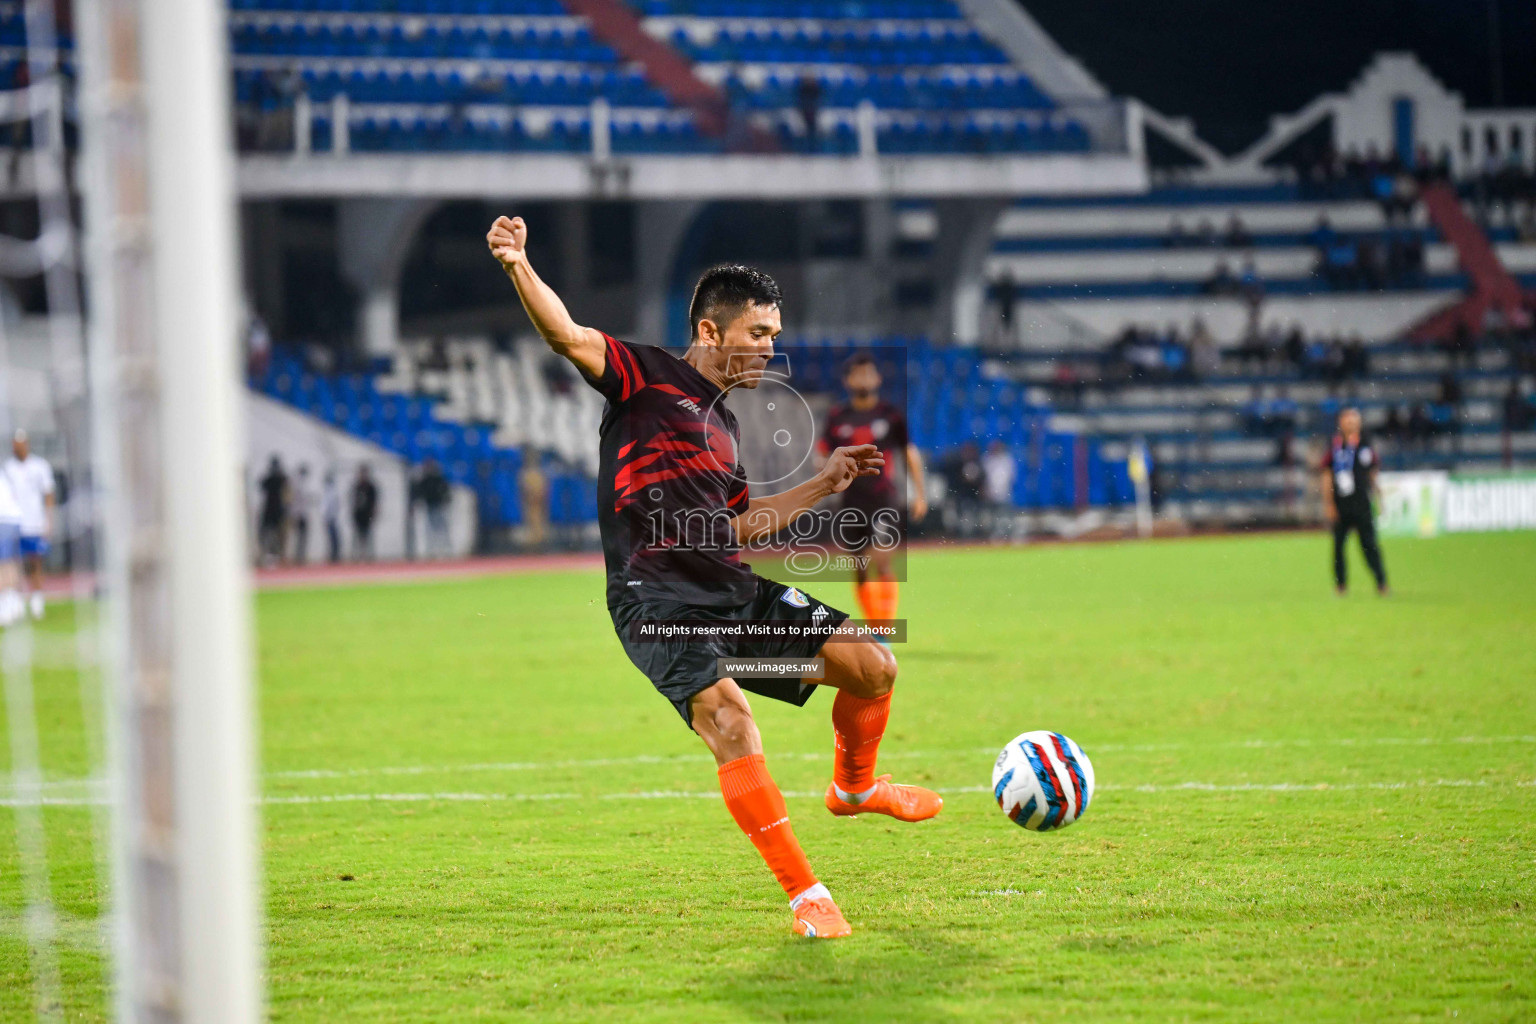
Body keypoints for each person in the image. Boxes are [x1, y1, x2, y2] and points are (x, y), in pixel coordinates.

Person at [487, 214, 941, 940]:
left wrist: (823, 483)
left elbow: (740, 528)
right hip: (656, 601)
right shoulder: (643, 376)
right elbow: (566, 335)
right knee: (732, 720)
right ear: (709, 329)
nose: (772, 346)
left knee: (873, 667)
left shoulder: (723, 429)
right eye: (759, 333)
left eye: (774, 333)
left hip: (731, 591)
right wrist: (516, 263)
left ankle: (854, 788)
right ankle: (806, 896)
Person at [819, 352, 927, 628]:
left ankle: (884, 628)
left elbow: (909, 453)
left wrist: (920, 494)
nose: (864, 378)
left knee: (882, 558)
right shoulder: (837, 416)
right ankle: (874, 624)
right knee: (859, 566)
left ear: (878, 378)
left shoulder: (890, 415)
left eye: (869, 373)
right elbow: (821, 456)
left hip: (883, 499)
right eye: (858, 373)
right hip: (851, 502)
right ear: (847, 381)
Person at [1320, 408, 1388, 596]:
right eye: (1347, 420)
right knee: (1338, 548)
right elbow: (1326, 475)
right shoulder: (1334, 446)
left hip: (1361, 504)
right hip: (1341, 505)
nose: (1351, 423)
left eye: (1354, 420)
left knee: (1370, 545)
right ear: (1340, 422)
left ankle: (1381, 582)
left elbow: (1372, 474)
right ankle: (1340, 585)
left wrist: (1379, 498)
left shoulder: (1365, 445)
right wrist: (1329, 504)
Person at [4, 430, 55, 619]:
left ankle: (37, 600)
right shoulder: (8, 468)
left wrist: (49, 519)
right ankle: (15, 601)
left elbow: (48, 494)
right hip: (15, 524)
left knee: (35, 563)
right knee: (14, 564)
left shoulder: (40, 466)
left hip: (35, 523)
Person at [256, 455, 288, 567]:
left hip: (275, 511)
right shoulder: (274, 478)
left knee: (278, 536)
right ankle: (267, 557)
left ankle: (279, 557)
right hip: (271, 510)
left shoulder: (280, 478)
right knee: (268, 535)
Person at [0, 462, 22, 625]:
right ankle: (15, 602)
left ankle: (6, 604)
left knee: (4, 563)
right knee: (12, 562)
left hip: (4, 519)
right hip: (14, 519)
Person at [419, 458, 451, 558]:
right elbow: (421, 492)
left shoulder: (439, 479)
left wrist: (445, 500)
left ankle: (446, 549)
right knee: (430, 529)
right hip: (430, 506)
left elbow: (446, 491)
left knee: (442, 528)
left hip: (439, 506)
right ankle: (432, 550)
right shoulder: (425, 480)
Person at [350, 464, 378, 561]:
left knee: (368, 535)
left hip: (367, 515)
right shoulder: (357, 486)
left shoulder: (370, 487)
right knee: (357, 536)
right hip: (358, 514)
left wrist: (373, 512)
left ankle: (368, 555)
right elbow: (353, 500)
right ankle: (357, 556)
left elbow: (374, 501)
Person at [290, 464, 315, 565]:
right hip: (300, 515)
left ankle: (300, 557)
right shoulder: (300, 485)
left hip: (300, 514)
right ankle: (299, 557)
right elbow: (299, 502)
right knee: (301, 537)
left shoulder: (298, 484)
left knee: (301, 538)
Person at [322, 469, 343, 564]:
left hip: (332, 519)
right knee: (333, 540)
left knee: (334, 540)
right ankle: (333, 557)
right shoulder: (330, 492)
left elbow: (327, 507)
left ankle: (334, 556)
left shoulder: (330, 492)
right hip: (331, 519)